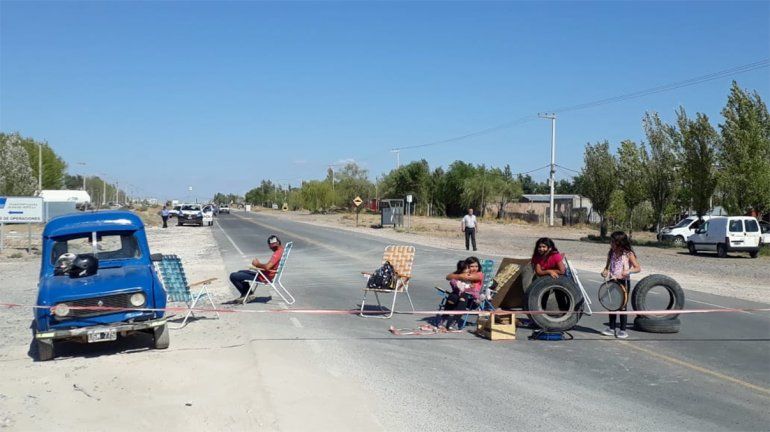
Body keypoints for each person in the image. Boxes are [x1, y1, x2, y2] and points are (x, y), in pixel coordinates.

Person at [600, 231, 641, 339]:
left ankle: (623, 330)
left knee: (622, 306)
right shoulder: (611, 253)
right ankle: (611, 328)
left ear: (620, 242)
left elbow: (638, 268)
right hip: (612, 281)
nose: (611, 244)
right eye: (611, 242)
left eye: (613, 242)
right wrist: (604, 271)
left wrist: (628, 271)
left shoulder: (628, 254)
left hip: (623, 282)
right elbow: (607, 267)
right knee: (612, 305)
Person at [229, 235, 285, 301]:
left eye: (272, 247)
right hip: (266, 274)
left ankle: (246, 294)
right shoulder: (282, 251)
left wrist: (257, 264)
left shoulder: (277, 253)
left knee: (233, 276)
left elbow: (267, 267)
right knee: (240, 272)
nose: (272, 249)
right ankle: (248, 294)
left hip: (264, 277)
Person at [441, 256, 484, 329]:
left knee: (463, 297)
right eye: (471, 266)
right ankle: (444, 318)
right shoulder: (464, 272)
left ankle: (454, 321)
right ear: (466, 266)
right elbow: (448, 277)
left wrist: (458, 275)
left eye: (476, 266)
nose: (474, 268)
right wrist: (460, 274)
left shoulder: (479, 274)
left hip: (472, 299)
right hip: (458, 295)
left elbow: (466, 277)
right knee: (453, 296)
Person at [527, 237, 568, 310]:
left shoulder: (555, 256)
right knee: (543, 294)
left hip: (559, 276)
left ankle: (565, 313)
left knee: (559, 294)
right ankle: (541, 314)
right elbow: (538, 272)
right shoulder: (536, 257)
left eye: (544, 247)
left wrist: (551, 272)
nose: (541, 249)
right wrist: (549, 271)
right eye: (539, 247)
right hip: (544, 277)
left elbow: (562, 271)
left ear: (549, 248)